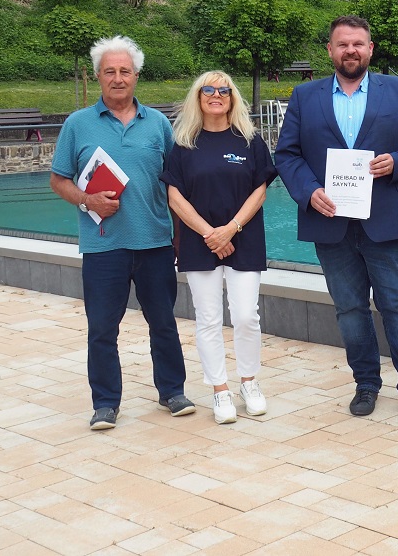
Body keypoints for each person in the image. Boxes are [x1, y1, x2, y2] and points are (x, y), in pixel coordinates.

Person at [274, 16, 398, 421]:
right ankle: (366, 384)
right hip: (330, 220)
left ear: (370, 49)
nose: (351, 50)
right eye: (342, 44)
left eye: (359, 44)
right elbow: (287, 154)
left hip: (386, 219)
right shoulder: (304, 96)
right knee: (349, 310)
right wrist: (308, 190)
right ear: (330, 50)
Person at [50, 35, 194, 430]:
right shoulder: (78, 125)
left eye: (124, 71)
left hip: (154, 243)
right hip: (103, 247)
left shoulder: (159, 124)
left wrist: (180, 237)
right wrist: (87, 201)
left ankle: (172, 392)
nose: (117, 78)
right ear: (98, 76)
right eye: (109, 71)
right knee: (101, 329)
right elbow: (58, 180)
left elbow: (175, 185)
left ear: (136, 76)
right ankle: (106, 403)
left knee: (163, 322)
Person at [161, 72, 277, 425]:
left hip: (243, 236)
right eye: (207, 90)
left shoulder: (250, 140)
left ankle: (249, 382)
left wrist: (230, 229)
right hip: (199, 241)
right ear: (197, 98)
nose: (216, 95)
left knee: (245, 316)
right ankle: (219, 390)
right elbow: (174, 195)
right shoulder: (183, 143)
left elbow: (260, 189)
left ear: (232, 97)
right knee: (208, 320)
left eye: (223, 90)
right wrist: (210, 233)